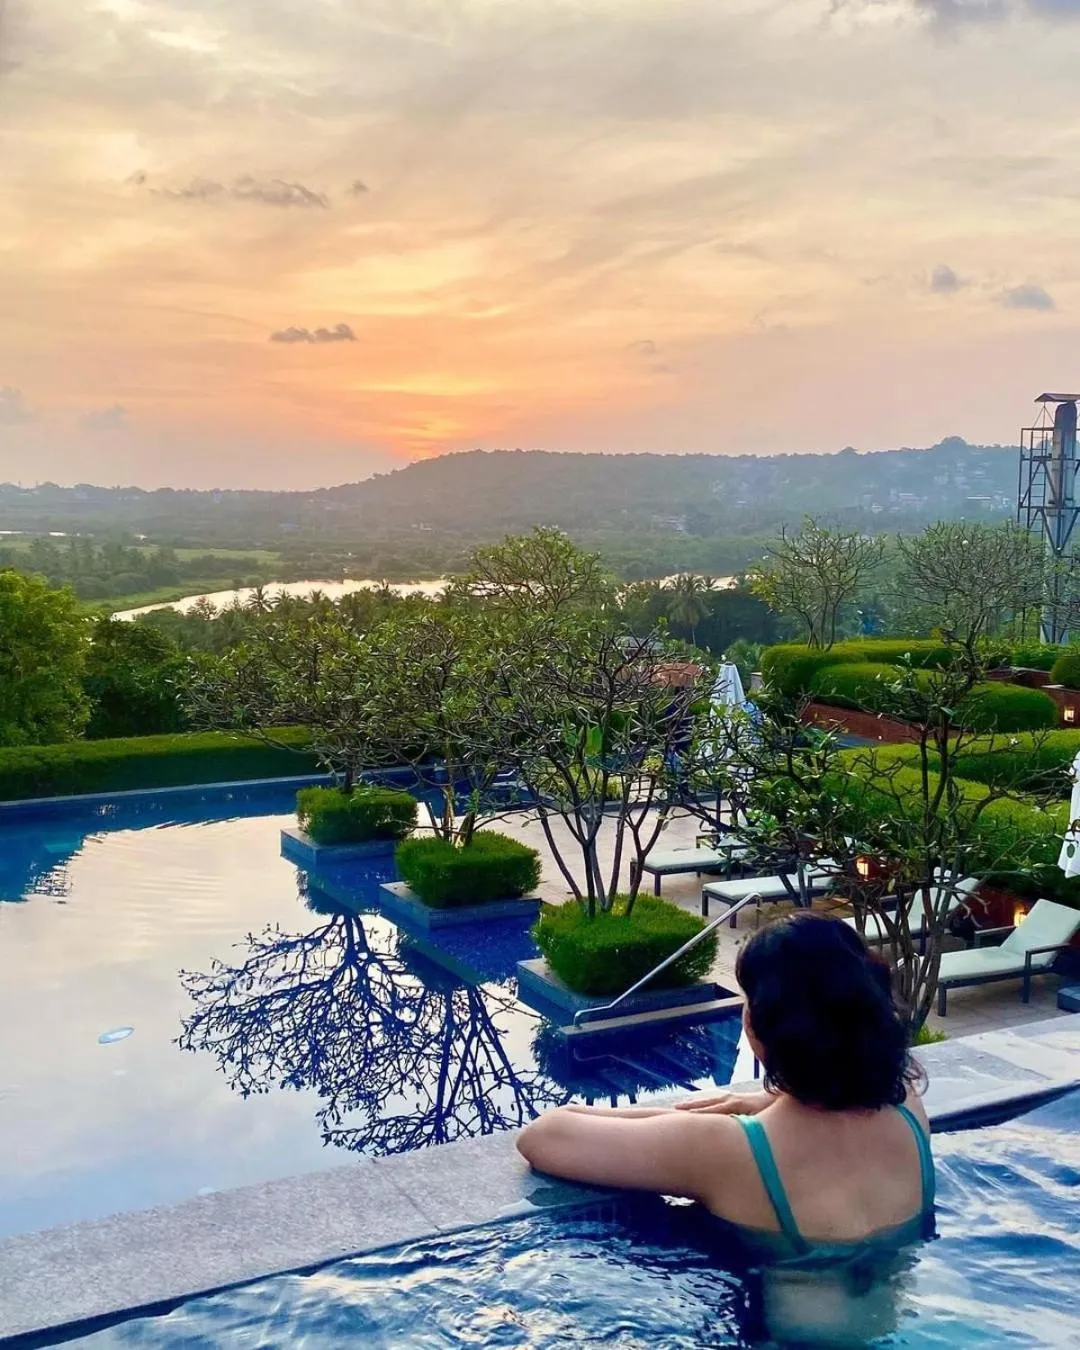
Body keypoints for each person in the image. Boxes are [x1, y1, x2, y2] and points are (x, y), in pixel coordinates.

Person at [517, 914, 934, 1260]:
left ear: (756, 1025)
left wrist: (701, 1118)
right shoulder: (907, 1102)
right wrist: (758, 1102)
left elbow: (545, 1135)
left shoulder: (732, 1149)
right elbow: (838, 1075)